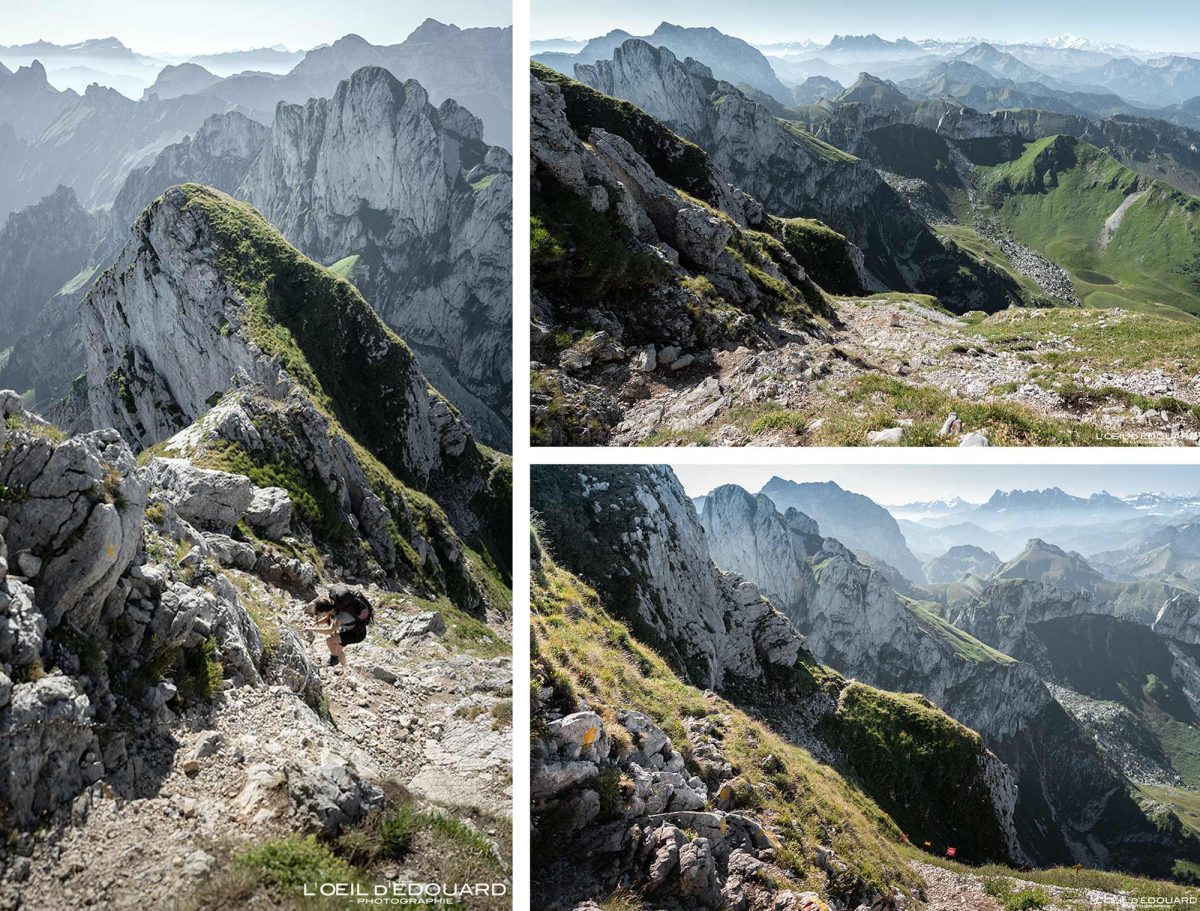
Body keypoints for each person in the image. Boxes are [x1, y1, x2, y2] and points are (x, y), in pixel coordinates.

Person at [305, 585, 374, 667]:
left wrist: (313, 629)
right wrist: (317, 623)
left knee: (330, 640)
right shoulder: (334, 607)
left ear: (324, 611)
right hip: (352, 630)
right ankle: (344, 667)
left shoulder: (340, 616)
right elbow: (327, 619)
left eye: (319, 613)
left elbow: (330, 630)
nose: (319, 615)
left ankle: (334, 659)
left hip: (356, 634)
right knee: (338, 650)